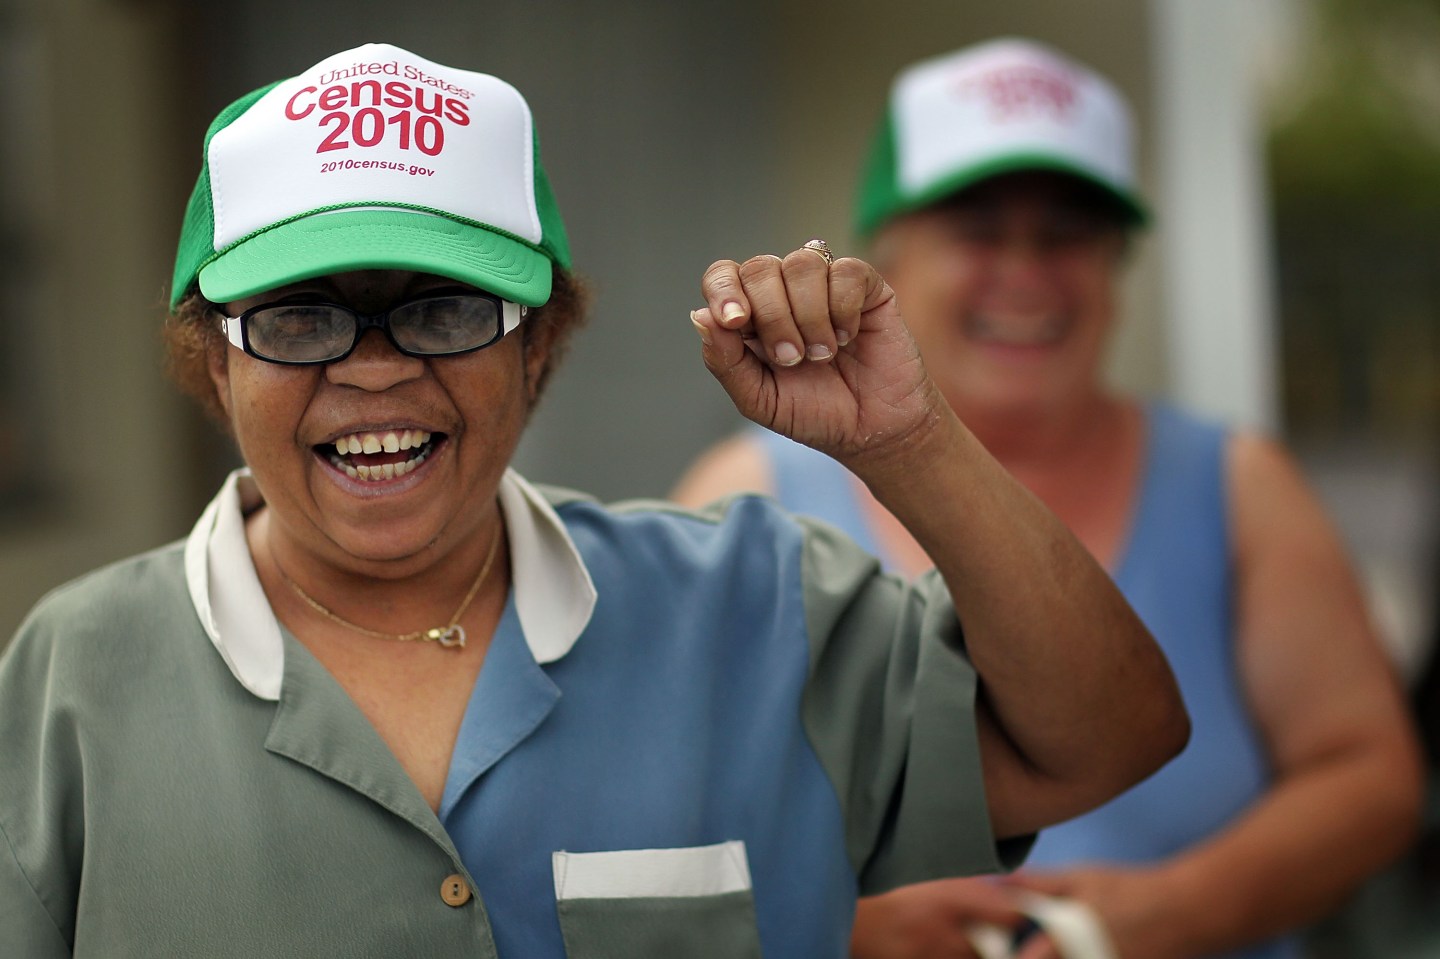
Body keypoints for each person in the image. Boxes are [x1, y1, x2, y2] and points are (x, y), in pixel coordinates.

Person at [0, 42, 1188, 959]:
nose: (374, 370)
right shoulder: (77, 677)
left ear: (539, 351)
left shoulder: (756, 609)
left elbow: (1114, 733)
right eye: (298, 317)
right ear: (215, 366)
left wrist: (910, 441)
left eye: (444, 309)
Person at [672, 38, 1424, 959]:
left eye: (1066, 234)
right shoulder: (749, 495)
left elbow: (1371, 775)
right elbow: (672, 810)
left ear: (1116, 267)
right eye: (978, 230)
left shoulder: (1238, 484)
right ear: (885, 259)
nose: (1024, 273)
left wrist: (1168, 912)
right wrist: (841, 919)